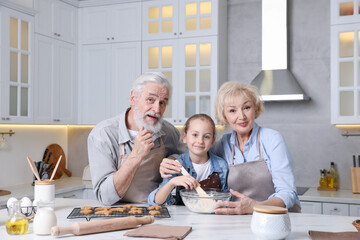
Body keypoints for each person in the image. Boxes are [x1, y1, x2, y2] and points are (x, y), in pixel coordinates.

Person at [160, 81, 300, 214]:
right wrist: (172, 160)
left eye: (246, 108)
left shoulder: (272, 139)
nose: (242, 116)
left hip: (276, 217)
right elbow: (196, 154)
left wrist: (255, 207)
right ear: (224, 116)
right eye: (233, 110)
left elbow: (287, 193)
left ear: (255, 109)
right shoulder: (223, 144)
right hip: (239, 218)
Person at [87, 72, 186, 205]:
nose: (157, 109)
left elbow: (191, 163)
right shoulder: (103, 135)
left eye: (162, 103)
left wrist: (175, 160)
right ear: (133, 98)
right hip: (116, 213)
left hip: (157, 211)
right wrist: (136, 155)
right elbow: (105, 197)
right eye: (150, 100)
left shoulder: (169, 133)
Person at [148, 114, 228, 206]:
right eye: (195, 135)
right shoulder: (177, 164)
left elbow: (225, 199)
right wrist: (172, 183)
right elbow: (155, 201)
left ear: (212, 142)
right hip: (183, 217)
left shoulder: (221, 166)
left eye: (206, 137)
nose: (200, 141)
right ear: (184, 137)